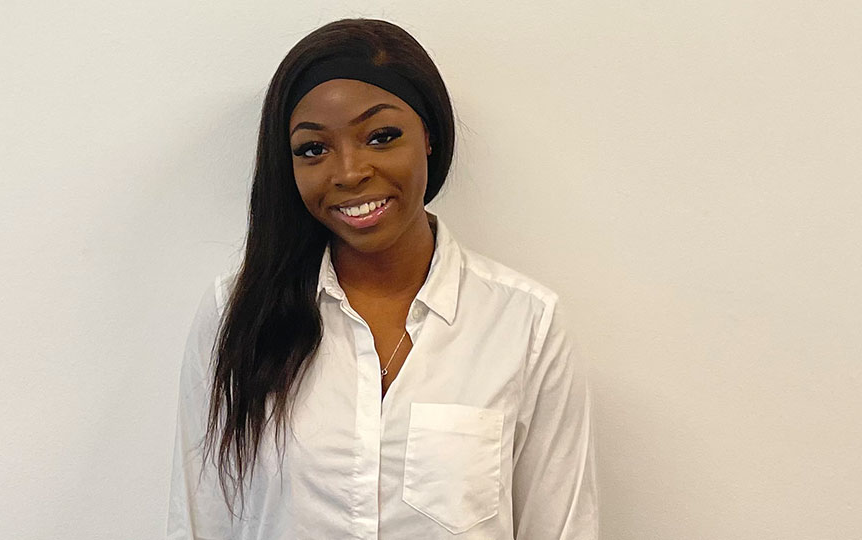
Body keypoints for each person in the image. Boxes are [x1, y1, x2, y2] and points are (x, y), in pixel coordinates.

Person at [167, 17, 599, 540]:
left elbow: (562, 529)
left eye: (381, 136)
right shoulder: (235, 314)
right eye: (313, 149)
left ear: (430, 137)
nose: (349, 172)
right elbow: (201, 523)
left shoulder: (525, 326)